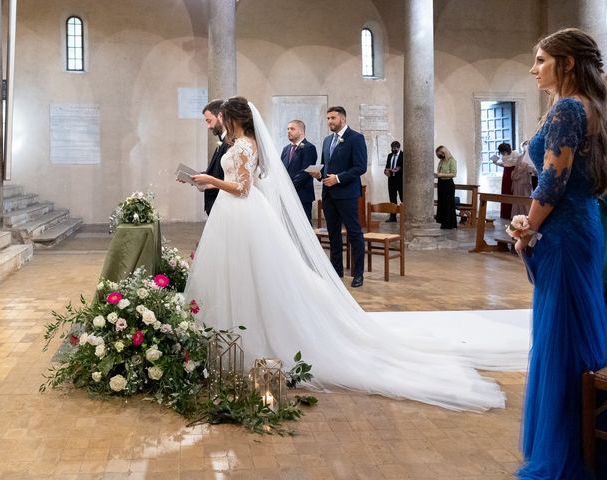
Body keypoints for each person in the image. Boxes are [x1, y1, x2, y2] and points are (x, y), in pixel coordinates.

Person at [185, 95, 529, 412]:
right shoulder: (243, 144)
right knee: (243, 274)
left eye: (224, 119)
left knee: (258, 271)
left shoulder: (245, 145)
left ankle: (253, 337)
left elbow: (243, 189)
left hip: (243, 210)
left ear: (234, 119)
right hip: (234, 215)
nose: (222, 124)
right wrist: (207, 181)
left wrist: (210, 180)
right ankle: (234, 334)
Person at [508, 28, 607, 479]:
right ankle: (589, 436)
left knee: (562, 336)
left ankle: (570, 451)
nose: (534, 68)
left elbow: (552, 182)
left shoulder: (569, 107)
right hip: (584, 225)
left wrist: (526, 227)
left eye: (542, 59)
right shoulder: (594, 106)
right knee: (575, 329)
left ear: (567, 63)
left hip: (565, 234)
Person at [310, 106, 367, 288]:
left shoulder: (356, 138)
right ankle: (336, 271)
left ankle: (358, 274)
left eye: (333, 118)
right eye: (327, 118)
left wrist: (338, 178)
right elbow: (325, 165)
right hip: (329, 194)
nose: (329, 122)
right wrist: (319, 174)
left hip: (347, 194)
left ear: (342, 118)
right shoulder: (327, 141)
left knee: (354, 233)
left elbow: (360, 167)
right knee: (333, 234)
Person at [280, 120, 317, 223]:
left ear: (301, 131)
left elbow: (305, 172)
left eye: (292, 129)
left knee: (303, 225)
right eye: (287, 129)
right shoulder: (286, 149)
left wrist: (289, 187)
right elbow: (281, 170)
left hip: (302, 194)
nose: (288, 131)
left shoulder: (309, 148)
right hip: (287, 195)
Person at [202, 100, 228, 216]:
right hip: (215, 204)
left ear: (220, 116)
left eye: (209, 121)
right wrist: (195, 177)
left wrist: (208, 181)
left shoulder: (231, 142)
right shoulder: (222, 140)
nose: (208, 126)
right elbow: (218, 171)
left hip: (223, 204)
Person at [492, 143, 520, 219]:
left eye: (502, 151)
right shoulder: (504, 155)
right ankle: (505, 214)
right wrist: (496, 163)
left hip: (513, 172)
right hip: (506, 173)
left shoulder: (515, 153)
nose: (502, 153)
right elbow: (505, 164)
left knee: (512, 192)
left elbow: (517, 163)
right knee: (505, 191)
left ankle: (513, 213)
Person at [510, 142, 537, 217]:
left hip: (526, 180)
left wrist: (531, 169)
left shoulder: (532, 156)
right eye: (525, 145)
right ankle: (517, 215)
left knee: (526, 196)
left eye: (528, 145)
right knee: (518, 196)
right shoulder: (520, 157)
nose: (526, 147)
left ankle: (528, 215)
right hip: (518, 180)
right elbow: (516, 167)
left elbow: (534, 169)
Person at [434, 146, 457, 229]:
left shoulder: (452, 160)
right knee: (442, 202)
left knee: (448, 203)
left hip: (448, 184)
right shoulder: (441, 161)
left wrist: (441, 174)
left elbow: (453, 174)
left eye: (440, 154)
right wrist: (437, 175)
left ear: (444, 152)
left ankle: (449, 223)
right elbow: (440, 171)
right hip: (441, 183)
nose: (439, 156)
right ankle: (441, 222)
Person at [384, 141, 403, 222]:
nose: (393, 150)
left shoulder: (403, 155)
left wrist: (398, 169)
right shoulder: (390, 155)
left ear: (399, 148)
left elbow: (405, 167)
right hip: (391, 179)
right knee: (392, 198)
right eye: (392, 148)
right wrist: (386, 171)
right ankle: (393, 217)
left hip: (401, 180)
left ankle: (404, 216)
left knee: (403, 198)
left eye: (395, 148)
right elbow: (387, 166)